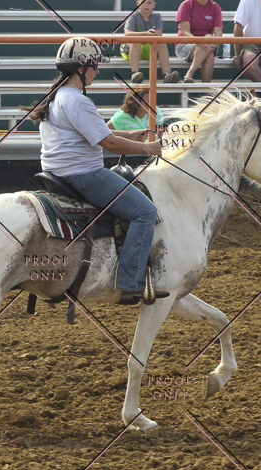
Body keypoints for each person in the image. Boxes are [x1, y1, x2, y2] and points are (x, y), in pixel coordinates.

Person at [23, 37, 170, 304]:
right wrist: (148, 148)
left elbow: (98, 132)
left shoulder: (57, 96)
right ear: (81, 68)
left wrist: (129, 135)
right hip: (83, 175)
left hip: (57, 174)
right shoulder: (77, 100)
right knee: (145, 212)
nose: (97, 71)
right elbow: (109, 143)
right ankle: (131, 283)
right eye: (95, 66)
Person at [122, 0, 182, 84]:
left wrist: (149, 35)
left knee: (161, 42)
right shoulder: (133, 16)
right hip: (131, 50)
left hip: (149, 49)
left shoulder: (157, 16)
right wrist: (145, 34)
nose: (146, 5)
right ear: (138, 4)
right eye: (143, 3)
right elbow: (127, 33)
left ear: (154, 5)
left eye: (149, 3)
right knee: (135, 41)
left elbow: (159, 33)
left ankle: (166, 75)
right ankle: (135, 73)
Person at [174, 0, 224, 83]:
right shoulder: (186, 5)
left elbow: (218, 34)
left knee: (208, 43)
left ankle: (190, 74)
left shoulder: (215, 7)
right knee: (209, 54)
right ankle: (206, 89)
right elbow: (186, 33)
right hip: (185, 43)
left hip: (208, 43)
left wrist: (210, 42)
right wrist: (202, 43)